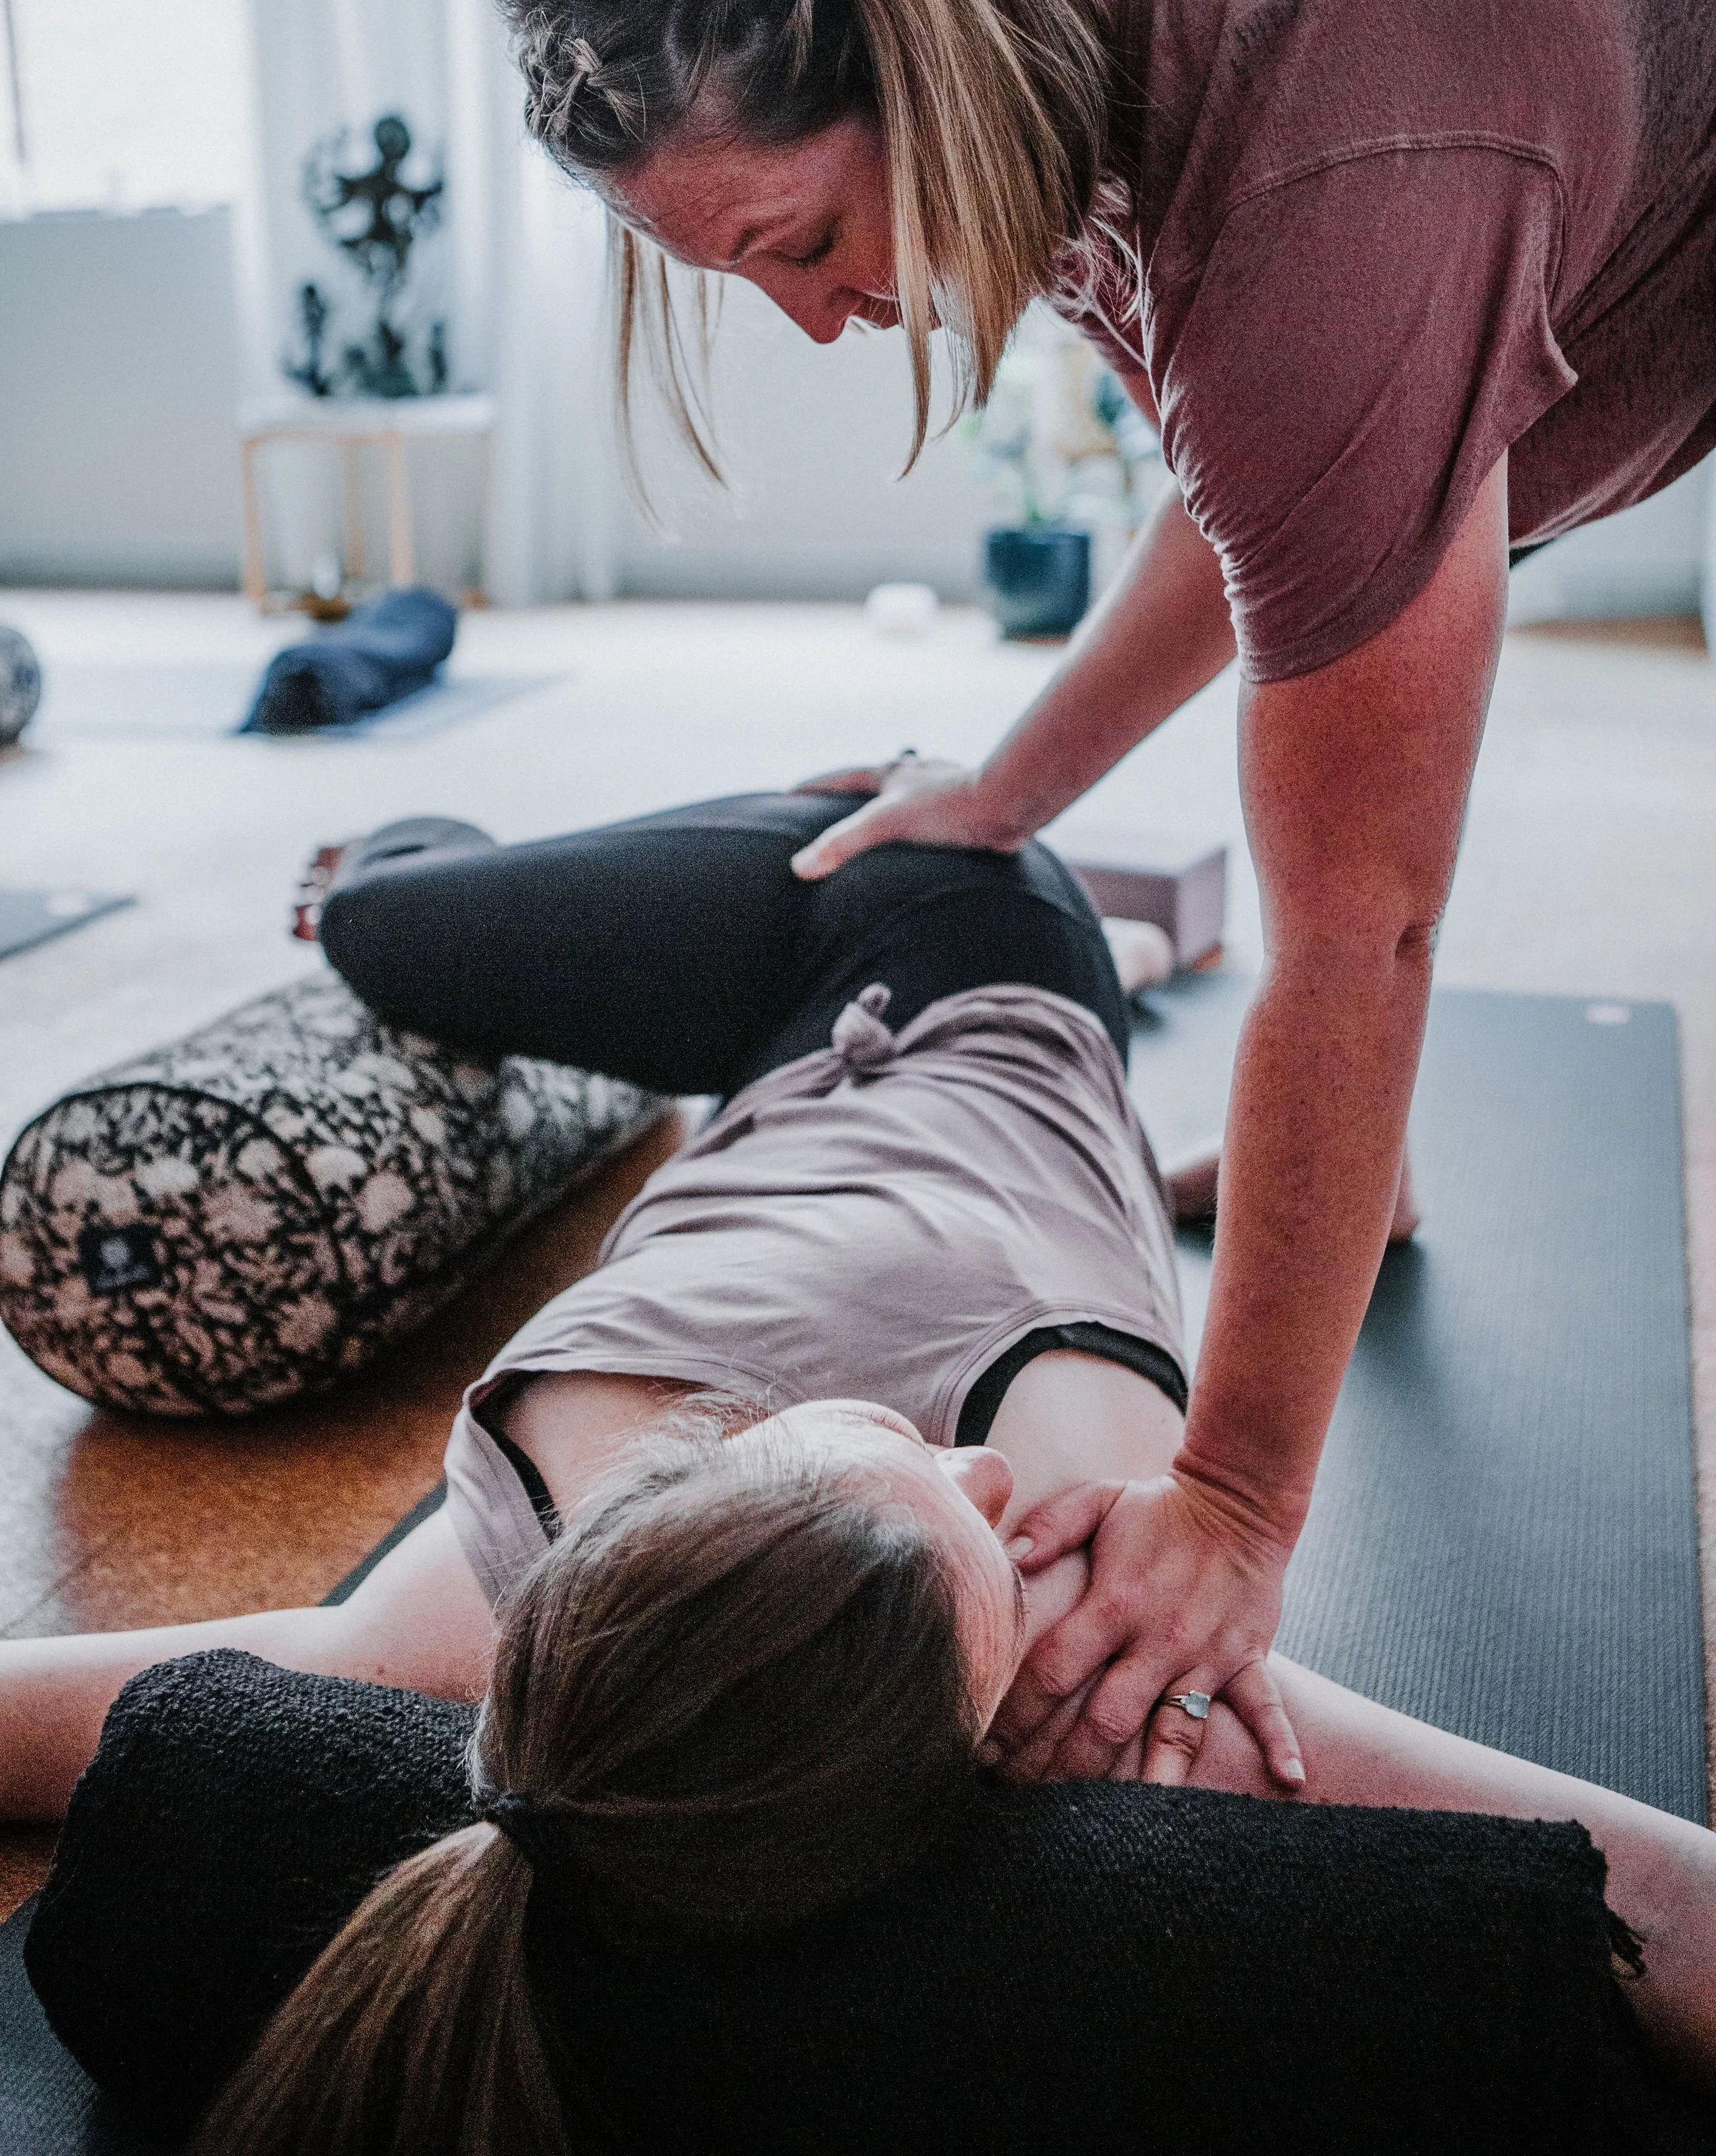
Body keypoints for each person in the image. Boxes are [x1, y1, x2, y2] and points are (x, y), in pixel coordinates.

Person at [487, 0, 1716, 1781]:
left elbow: (1367, 923)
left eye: (800, 242)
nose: (812, 318)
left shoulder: (1348, 145)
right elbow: (1266, 489)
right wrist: (1010, 790)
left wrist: (1231, 1510)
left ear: (918, 71)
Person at [3, 794, 1716, 2147]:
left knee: (389, 931)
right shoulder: (1088, 1595)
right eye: (995, 1524)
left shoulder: (505, 1589)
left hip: (893, 954)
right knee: (418, 927)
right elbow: (1656, 1897)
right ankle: (1139, 1045)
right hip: (974, 986)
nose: (988, 1479)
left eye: (918, 1464)